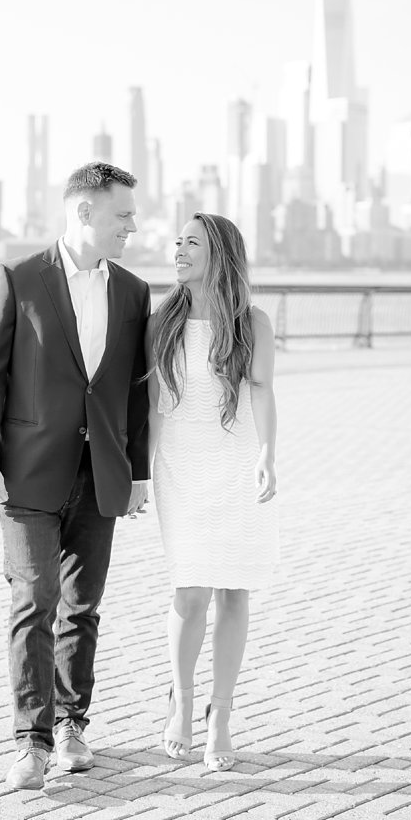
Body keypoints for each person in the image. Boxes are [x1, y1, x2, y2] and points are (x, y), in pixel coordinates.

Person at [0, 162, 151, 791]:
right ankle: (31, 740)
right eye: (123, 213)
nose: (133, 224)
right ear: (85, 212)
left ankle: (73, 725)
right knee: (34, 598)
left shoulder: (132, 290)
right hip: (26, 476)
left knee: (83, 606)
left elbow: (133, 393)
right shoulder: (18, 279)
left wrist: (140, 474)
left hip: (100, 476)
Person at [147, 212, 279, 771]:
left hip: (235, 464)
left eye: (191, 243)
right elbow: (153, 403)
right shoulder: (162, 321)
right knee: (189, 592)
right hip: (180, 466)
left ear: (218, 254)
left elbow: (263, 391)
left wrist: (268, 454)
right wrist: (140, 472)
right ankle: (179, 701)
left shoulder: (253, 323)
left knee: (234, 592)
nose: (178, 250)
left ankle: (220, 714)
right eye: (177, 241)